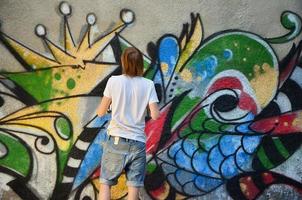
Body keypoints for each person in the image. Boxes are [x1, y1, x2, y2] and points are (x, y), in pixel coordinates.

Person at [96, 47, 160, 200]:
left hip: (116, 141)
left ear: (123, 62)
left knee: (105, 185)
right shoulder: (148, 84)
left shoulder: (114, 81)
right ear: (140, 64)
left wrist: (113, 106)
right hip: (138, 143)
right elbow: (155, 115)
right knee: (133, 192)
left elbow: (100, 112)